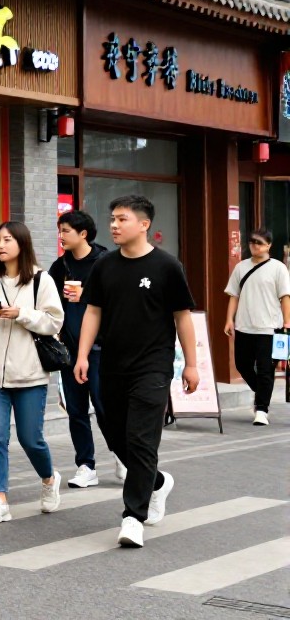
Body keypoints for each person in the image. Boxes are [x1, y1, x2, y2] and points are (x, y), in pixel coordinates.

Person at [74, 194, 199, 549]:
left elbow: (182, 317)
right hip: (111, 363)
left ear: (144, 225)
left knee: (142, 439)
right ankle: (157, 483)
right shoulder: (105, 266)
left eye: (122, 219)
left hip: (153, 366)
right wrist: (82, 355)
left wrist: (191, 364)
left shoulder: (167, 267)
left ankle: (133, 517)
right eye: (112, 218)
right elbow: (93, 312)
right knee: (115, 435)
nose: (114, 224)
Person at [0, 222, 66, 524]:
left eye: (7, 239)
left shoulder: (41, 280)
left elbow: (54, 322)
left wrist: (21, 314)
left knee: (30, 438)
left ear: (22, 244)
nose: (1, 245)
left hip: (30, 374)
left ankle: (49, 479)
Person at [49, 210, 117, 488]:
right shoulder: (60, 266)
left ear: (83, 234)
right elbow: (50, 303)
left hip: (101, 351)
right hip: (70, 350)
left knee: (104, 408)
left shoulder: (106, 263)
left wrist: (85, 295)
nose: (61, 236)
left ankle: (121, 455)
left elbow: (118, 302)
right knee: (76, 410)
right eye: (60, 230)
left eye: (66, 231)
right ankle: (85, 465)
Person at [222, 228, 290, 427]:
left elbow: (285, 297)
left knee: (265, 370)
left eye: (259, 242)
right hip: (244, 326)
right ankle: (262, 394)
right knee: (242, 365)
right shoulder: (241, 267)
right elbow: (234, 296)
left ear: (269, 245)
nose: (254, 245)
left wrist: (287, 322)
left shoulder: (278, 268)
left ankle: (262, 410)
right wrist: (229, 320)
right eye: (252, 242)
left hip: (269, 327)